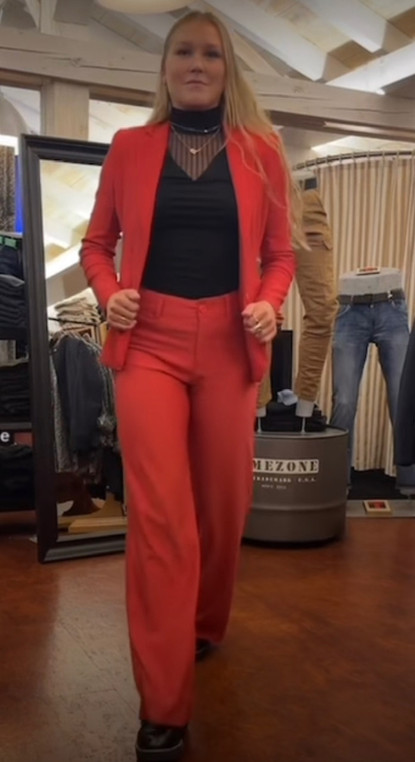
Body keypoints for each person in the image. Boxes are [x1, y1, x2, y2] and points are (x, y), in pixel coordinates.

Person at [81, 10, 296, 762]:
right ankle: (163, 706)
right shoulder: (130, 147)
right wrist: (110, 291)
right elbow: (97, 243)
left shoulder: (262, 150)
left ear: (227, 67)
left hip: (233, 345)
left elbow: (280, 254)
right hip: (151, 345)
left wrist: (270, 302)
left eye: (210, 52)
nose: (196, 63)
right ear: (166, 65)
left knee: (223, 504)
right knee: (161, 518)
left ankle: (203, 622)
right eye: (183, 51)